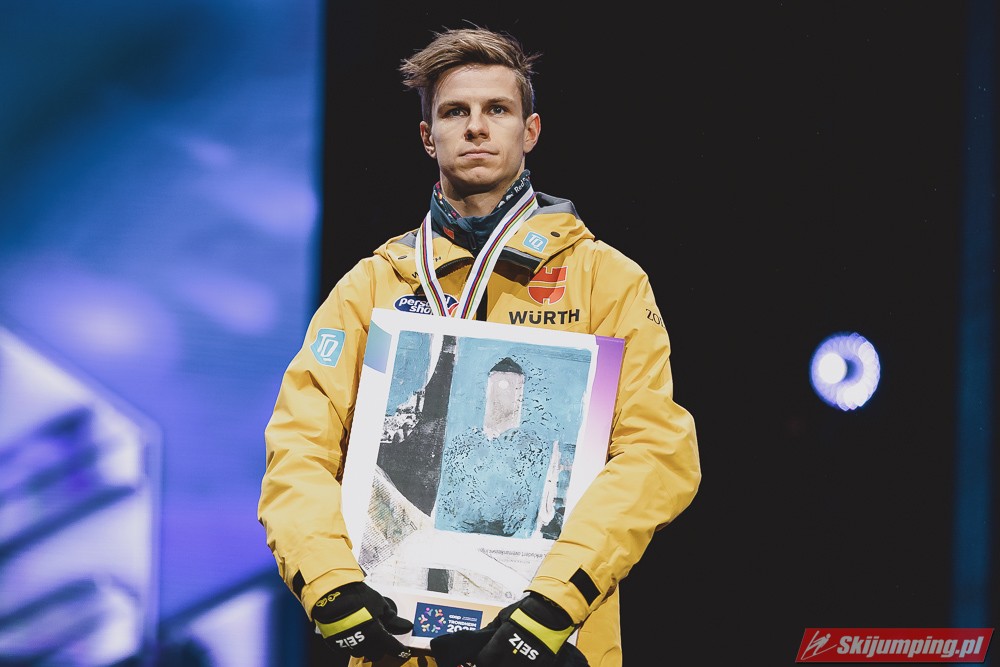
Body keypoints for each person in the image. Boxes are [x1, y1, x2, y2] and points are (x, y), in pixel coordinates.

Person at [258, 25, 701, 667]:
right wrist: (329, 586)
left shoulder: (606, 280)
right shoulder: (373, 286)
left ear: (531, 130)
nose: (475, 127)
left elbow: (656, 453)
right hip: (398, 645)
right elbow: (299, 447)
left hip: (551, 643)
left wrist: (554, 605)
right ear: (427, 136)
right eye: (454, 112)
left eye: (497, 109)